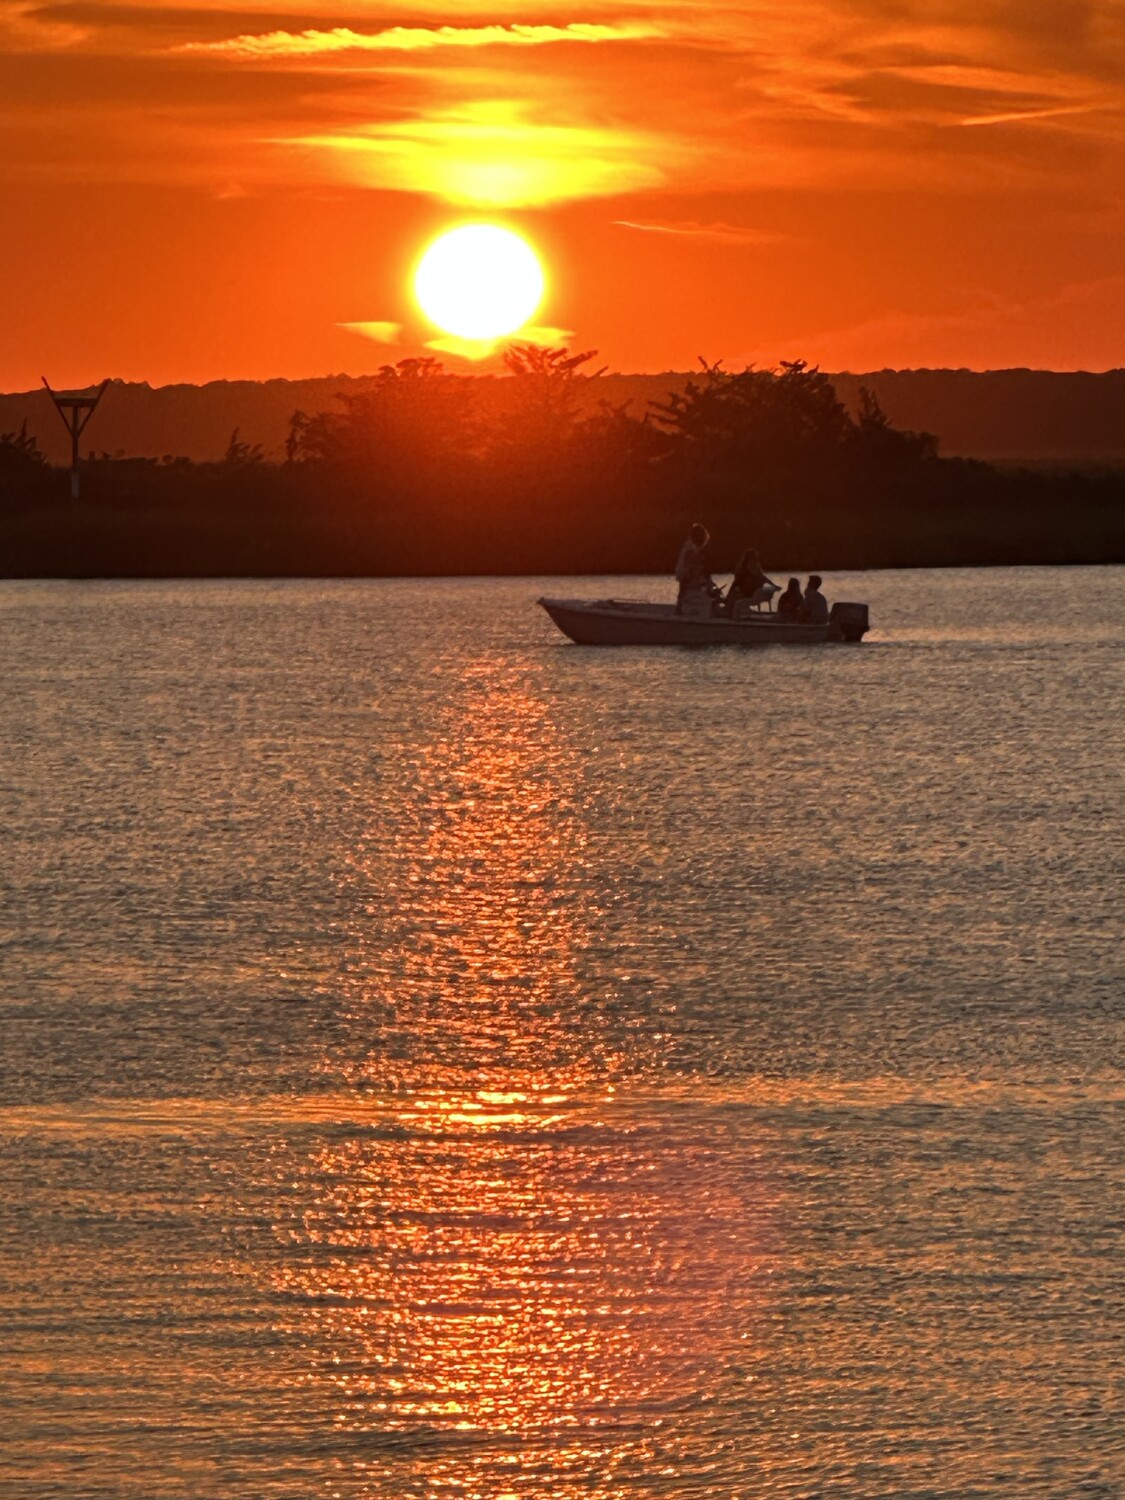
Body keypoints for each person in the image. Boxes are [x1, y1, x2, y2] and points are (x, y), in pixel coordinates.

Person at [674, 523, 719, 611]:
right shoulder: (689, 553)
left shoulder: (690, 549)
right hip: (690, 580)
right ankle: (682, 607)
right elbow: (687, 576)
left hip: (691, 580)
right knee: (686, 589)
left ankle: (681, 606)